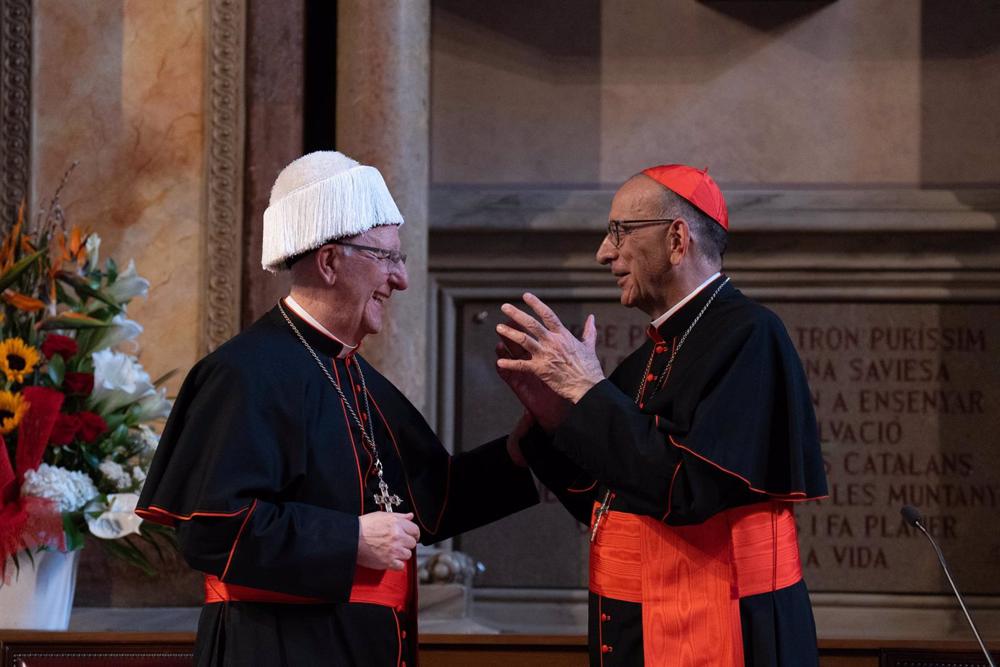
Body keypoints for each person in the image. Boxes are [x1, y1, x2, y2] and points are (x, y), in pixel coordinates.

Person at [137, 151, 539, 666]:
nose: (402, 280)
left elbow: (426, 503)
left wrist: (531, 441)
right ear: (329, 262)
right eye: (388, 258)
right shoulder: (245, 373)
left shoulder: (354, 374)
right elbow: (210, 530)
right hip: (278, 648)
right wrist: (348, 538)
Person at [495, 164, 828, 666]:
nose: (604, 253)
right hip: (641, 624)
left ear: (676, 239)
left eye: (619, 232)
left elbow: (688, 491)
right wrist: (556, 417)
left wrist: (587, 388)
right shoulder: (653, 353)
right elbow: (604, 501)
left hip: (720, 630)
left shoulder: (751, 335)